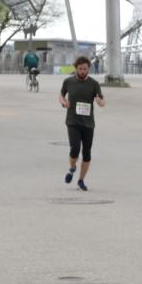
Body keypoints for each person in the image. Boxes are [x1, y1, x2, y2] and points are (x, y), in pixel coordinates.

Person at [59, 55, 105, 191]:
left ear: (88, 69)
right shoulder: (68, 81)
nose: (83, 71)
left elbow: (102, 101)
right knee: (75, 149)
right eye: (80, 69)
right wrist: (63, 102)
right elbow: (61, 95)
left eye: (85, 69)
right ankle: (72, 167)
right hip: (72, 121)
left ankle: (81, 180)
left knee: (87, 153)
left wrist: (100, 102)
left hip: (88, 123)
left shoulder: (94, 84)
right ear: (76, 68)